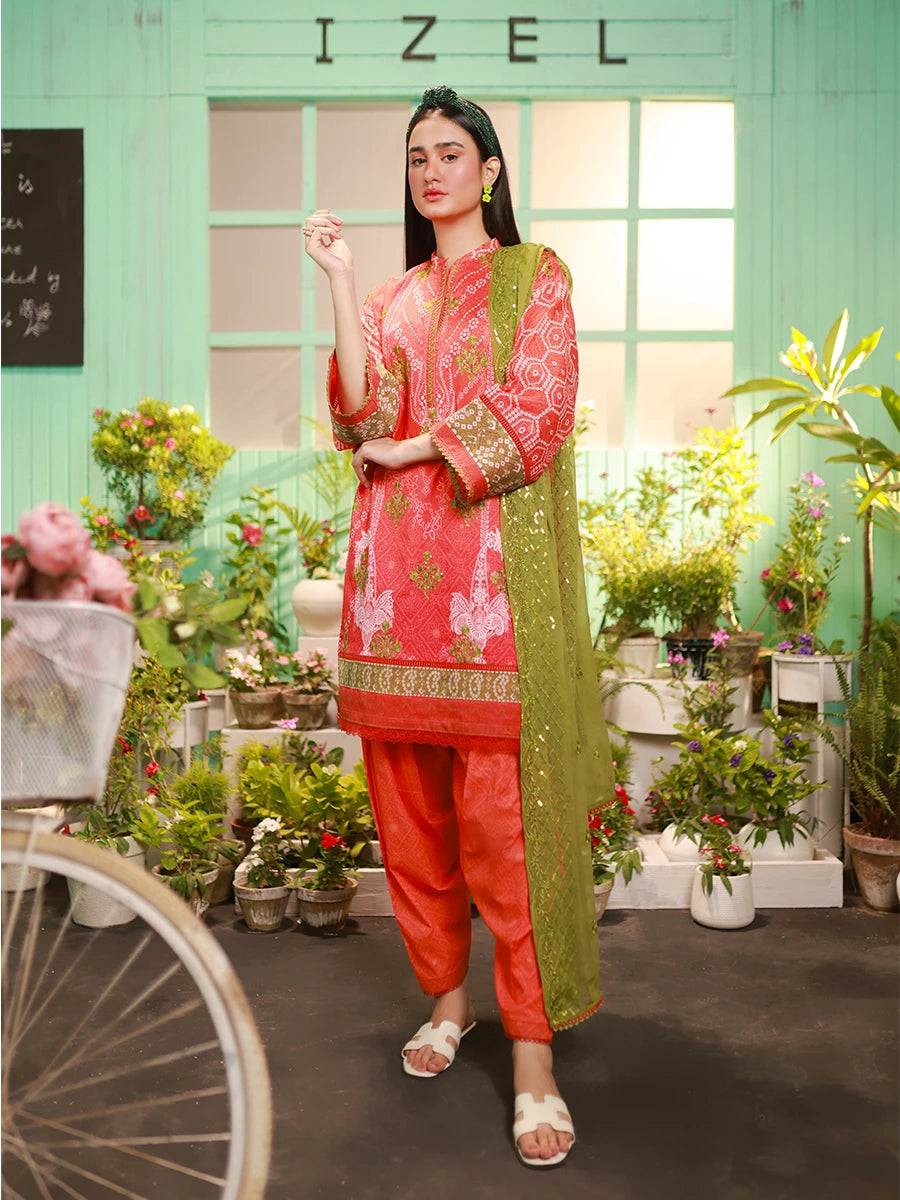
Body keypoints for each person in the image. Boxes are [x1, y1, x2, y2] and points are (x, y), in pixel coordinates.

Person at [303, 84, 616, 1168]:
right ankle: (447, 999)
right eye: (416, 157)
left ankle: (532, 1053)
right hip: (394, 598)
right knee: (413, 828)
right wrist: (342, 281)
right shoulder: (394, 298)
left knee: (504, 835)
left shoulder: (537, 277)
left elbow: (539, 407)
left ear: (488, 171)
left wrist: (421, 445)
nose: (430, 171)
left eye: (449, 153)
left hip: (492, 604)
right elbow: (357, 411)